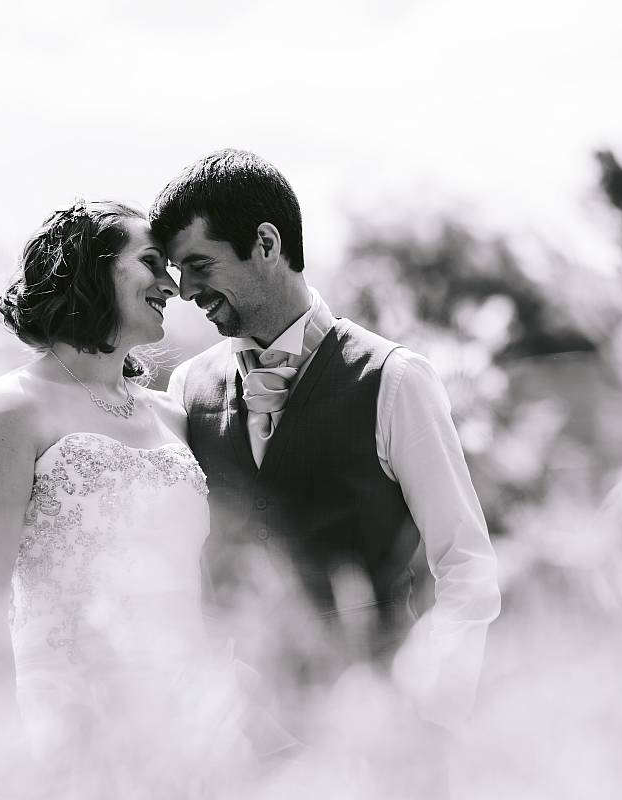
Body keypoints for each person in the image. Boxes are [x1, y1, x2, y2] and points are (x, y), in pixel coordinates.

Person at [0, 200, 267, 800]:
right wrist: (14, 762)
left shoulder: (173, 416)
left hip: (182, 730)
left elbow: (201, 581)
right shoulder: (11, 407)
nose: (172, 285)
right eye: (151, 262)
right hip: (61, 733)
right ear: (92, 267)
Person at [153, 150, 502, 789]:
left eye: (199, 265)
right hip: (244, 752)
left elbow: (467, 567)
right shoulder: (185, 389)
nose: (186, 291)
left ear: (266, 243)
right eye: (177, 272)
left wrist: (427, 713)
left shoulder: (395, 380)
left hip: (382, 744)